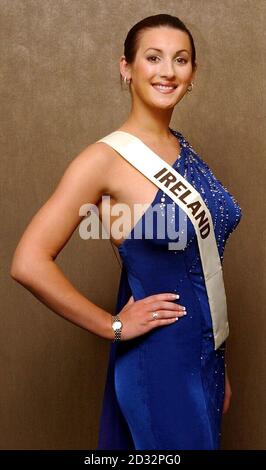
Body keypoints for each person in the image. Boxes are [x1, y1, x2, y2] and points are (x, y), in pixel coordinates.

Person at [10, 13, 242, 450]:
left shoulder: (183, 149)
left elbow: (195, 268)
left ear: (193, 74)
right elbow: (28, 262)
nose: (168, 71)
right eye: (153, 57)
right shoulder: (103, 160)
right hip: (160, 364)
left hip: (205, 360)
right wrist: (112, 325)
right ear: (126, 67)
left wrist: (216, 362)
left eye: (181, 59)